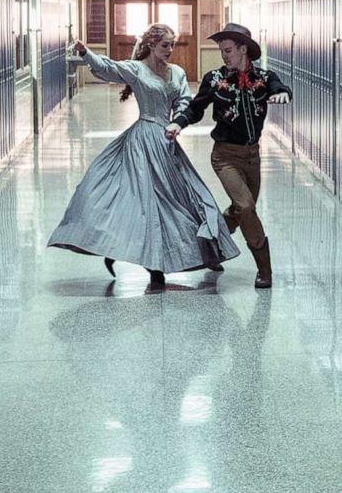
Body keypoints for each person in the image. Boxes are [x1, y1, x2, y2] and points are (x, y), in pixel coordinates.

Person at [48, 24, 239, 291]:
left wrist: (178, 123)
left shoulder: (177, 73)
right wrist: (86, 53)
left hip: (166, 139)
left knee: (188, 198)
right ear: (150, 45)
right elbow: (109, 68)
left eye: (173, 45)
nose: (170, 50)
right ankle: (154, 266)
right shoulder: (137, 70)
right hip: (141, 141)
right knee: (146, 202)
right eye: (165, 45)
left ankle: (207, 250)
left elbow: (184, 101)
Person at [167, 22, 291, 290]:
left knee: (240, 210)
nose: (225, 56)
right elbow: (196, 108)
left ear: (243, 49)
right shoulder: (215, 79)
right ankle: (264, 270)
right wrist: (178, 122)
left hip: (252, 156)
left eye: (229, 50)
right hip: (225, 156)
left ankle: (210, 243)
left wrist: (281, 93)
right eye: (222, 51)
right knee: (246, 207)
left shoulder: (264, 78)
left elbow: (279, 86)